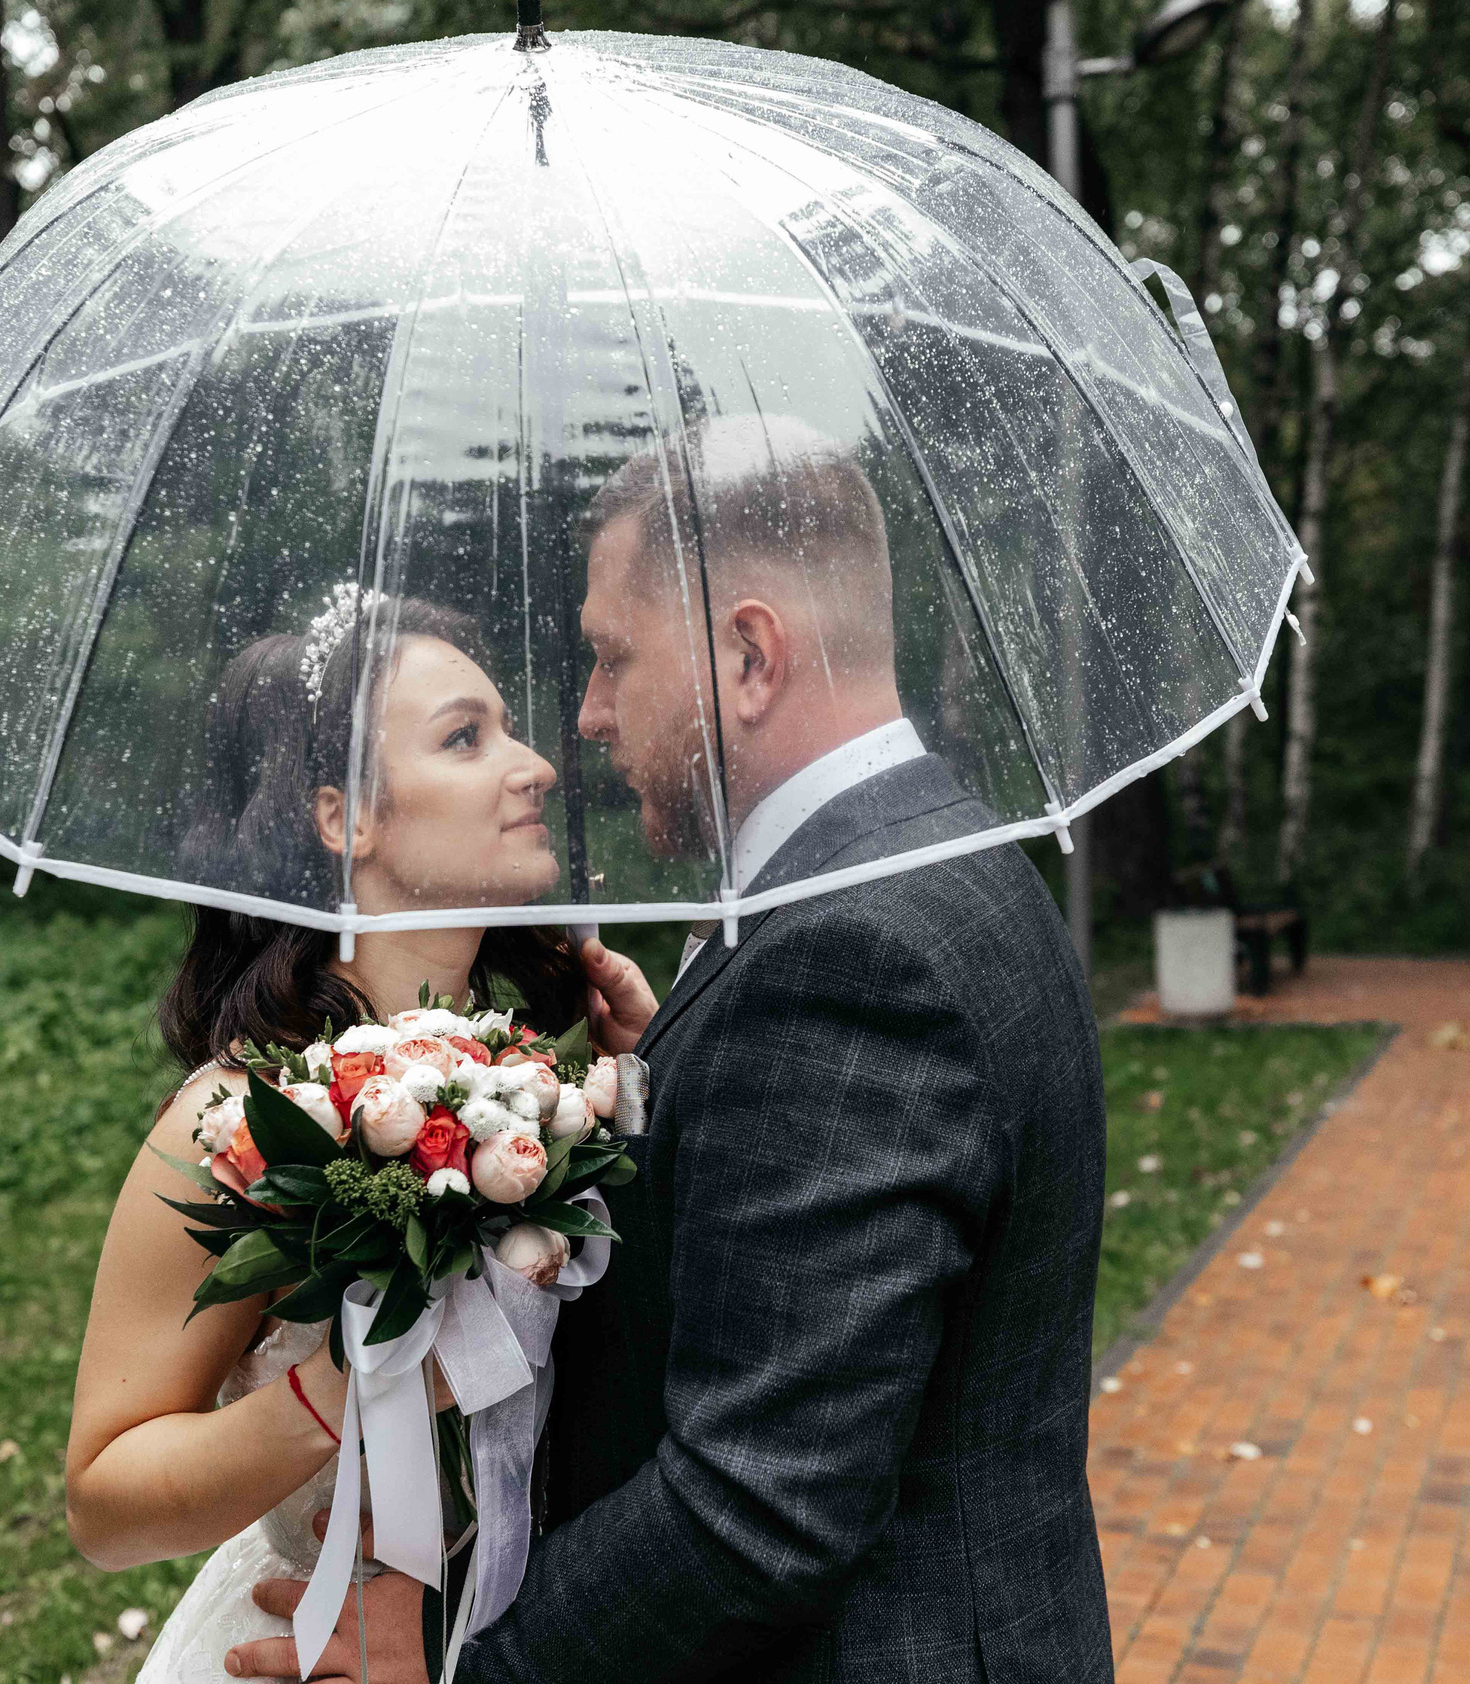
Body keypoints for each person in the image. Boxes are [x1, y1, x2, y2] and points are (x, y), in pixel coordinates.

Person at [231, 416, 1112, 1682]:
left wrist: (448, 1655)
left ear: (749, 653)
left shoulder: (849, 951)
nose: (583, 716)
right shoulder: (937, 858)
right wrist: (668, 1086)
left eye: (609, 658)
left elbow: (755, 1506)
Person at [65, 594, 589, 1684]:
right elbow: (103, 1503)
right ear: (342, 818)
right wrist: (342, 1400)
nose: (535, 764)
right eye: (465, 737)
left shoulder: (550, 1089)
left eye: (511, 727)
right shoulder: (236, 1125)